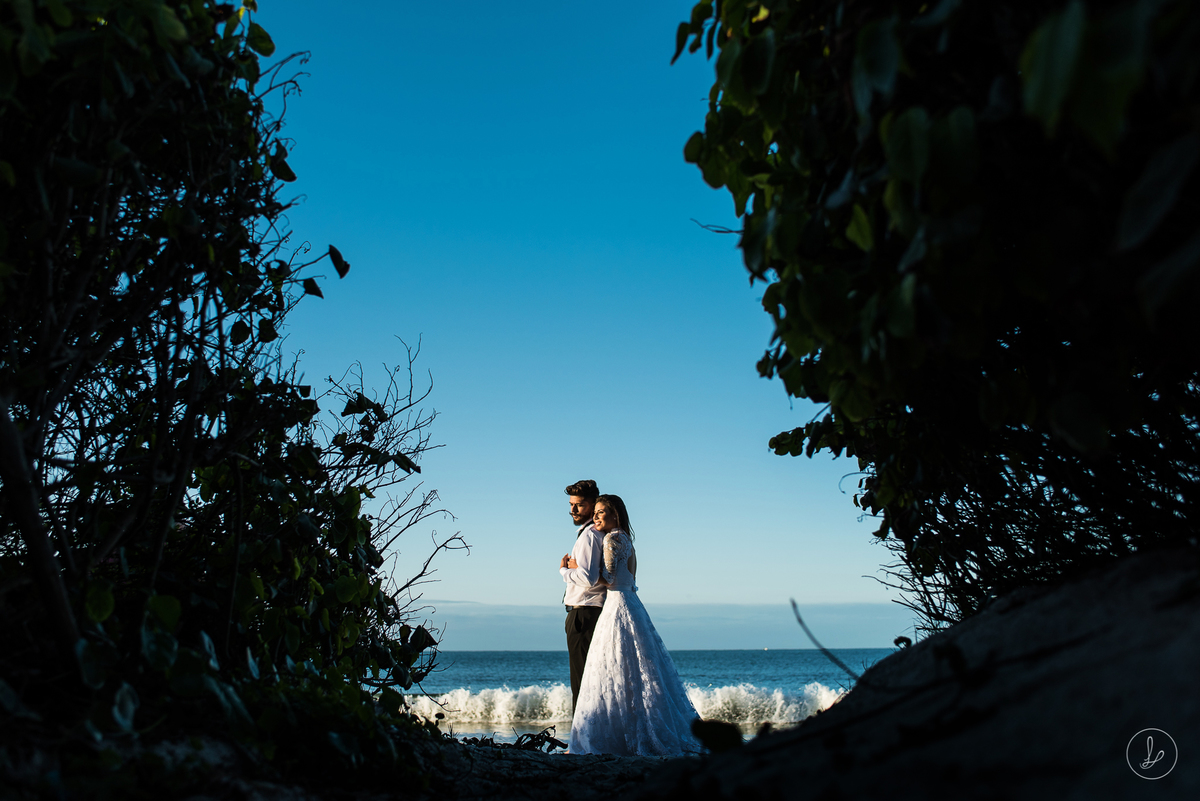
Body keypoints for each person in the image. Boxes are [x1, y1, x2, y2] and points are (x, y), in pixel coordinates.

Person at [567, 494, 702, 756]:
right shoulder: (626, 539)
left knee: (614, 664)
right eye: (595, 512)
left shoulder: (612, 539)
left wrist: (569, 569)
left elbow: (603, 578)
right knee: (634, 666)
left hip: (617, 604)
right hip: (630, 600)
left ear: (615, 514)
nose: (596, 517)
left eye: (601, 512)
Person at [559, 479, 605, 712]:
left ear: (593, 505)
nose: (573, 510)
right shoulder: (598, 533)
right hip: (593, 612)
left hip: (583, 614)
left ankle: (580, 739)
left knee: (581, 681)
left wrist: (564, 570)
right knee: (591, 679)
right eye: (571, 504)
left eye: (579, 505)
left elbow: (587, 579)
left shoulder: (589, 536)